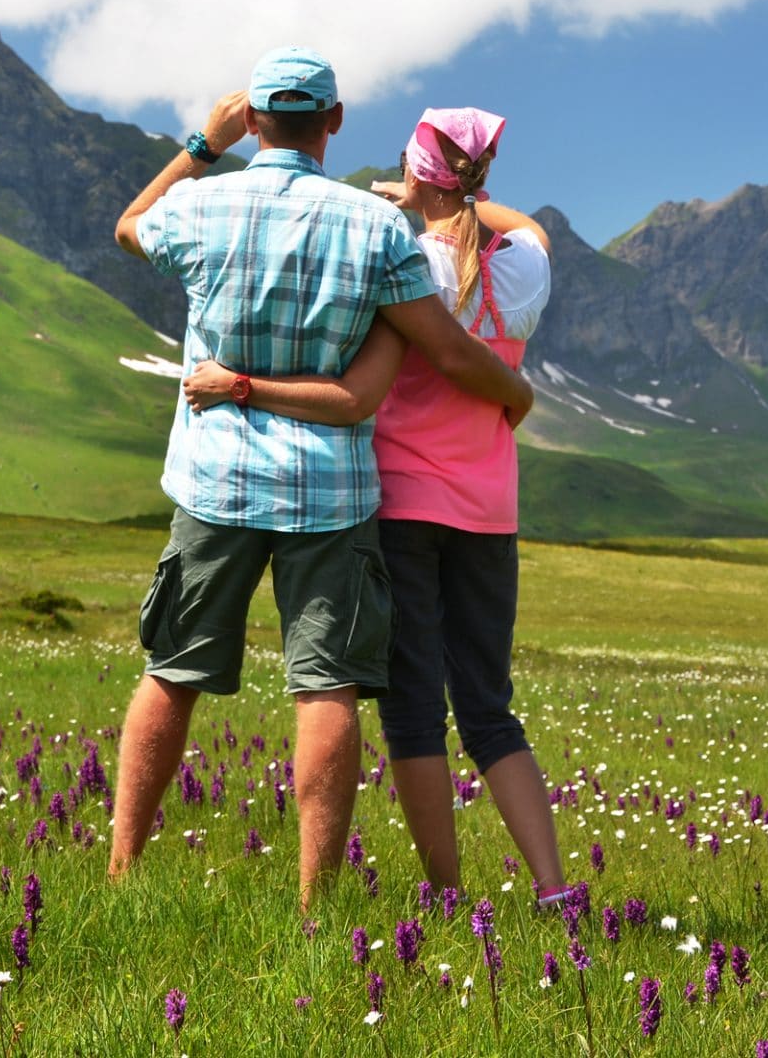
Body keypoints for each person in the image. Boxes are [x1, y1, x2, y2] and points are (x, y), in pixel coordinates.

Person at [111, 49, 535, 908]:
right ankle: (315, 901)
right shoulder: (375, 228)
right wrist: (513, 395)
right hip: (331, 492)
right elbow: (446, 346)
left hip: (217, 483)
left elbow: (131, 226)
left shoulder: (202, 203)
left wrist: (202, 142)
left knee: (172, 670)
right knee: (326, 686)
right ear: (335, 123)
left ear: (255, 120)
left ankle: (121, 869)